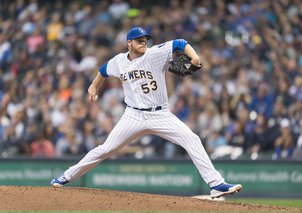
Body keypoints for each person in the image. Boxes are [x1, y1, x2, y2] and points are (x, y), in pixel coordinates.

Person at [50, 26, 242, 198]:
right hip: (133, 115)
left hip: (160, 115)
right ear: (129, 43)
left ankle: (216, 184)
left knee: (192, 139)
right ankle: (65, 177)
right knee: (106, 149)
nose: (143, 42)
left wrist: (195, 57)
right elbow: (103, 70)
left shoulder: (154, 54)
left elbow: (180, 43)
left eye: (145, 40)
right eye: (139, 40)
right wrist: (93, 86)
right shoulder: (119, 61)